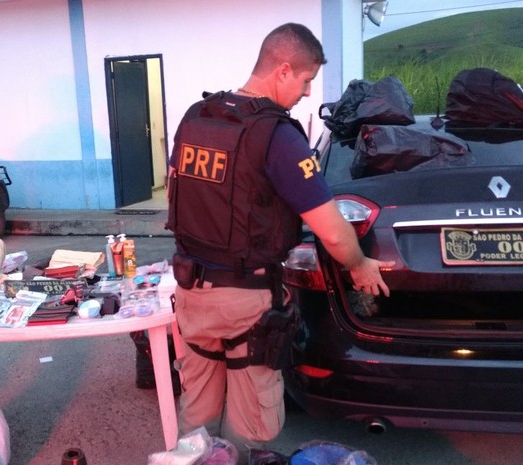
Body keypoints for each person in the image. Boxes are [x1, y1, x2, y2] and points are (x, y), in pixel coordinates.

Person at [166, 23, 395, 463]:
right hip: (246, 300)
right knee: (254, 424)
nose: (307, 93)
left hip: (190, 293)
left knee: (197, 413)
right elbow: (330, 229)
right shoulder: (277, 136)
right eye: (306, 81)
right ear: (283, 70)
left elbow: (180, 193)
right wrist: (359, 265)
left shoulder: (197, 117)